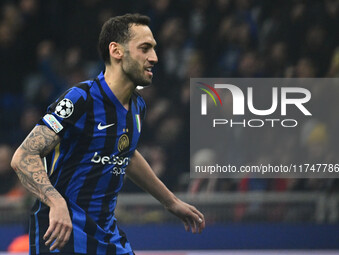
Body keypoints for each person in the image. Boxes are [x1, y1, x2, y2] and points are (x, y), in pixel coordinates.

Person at [11, 13, 205, 255]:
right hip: (61, 235)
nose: (154, 58)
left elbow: (126, 154)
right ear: (116, 51)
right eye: (145, 48)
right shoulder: (81, 99)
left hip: (107, 237)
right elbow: (23, 156)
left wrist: (170, 201)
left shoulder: (137, 107)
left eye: (154, 49)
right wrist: (56, 202)